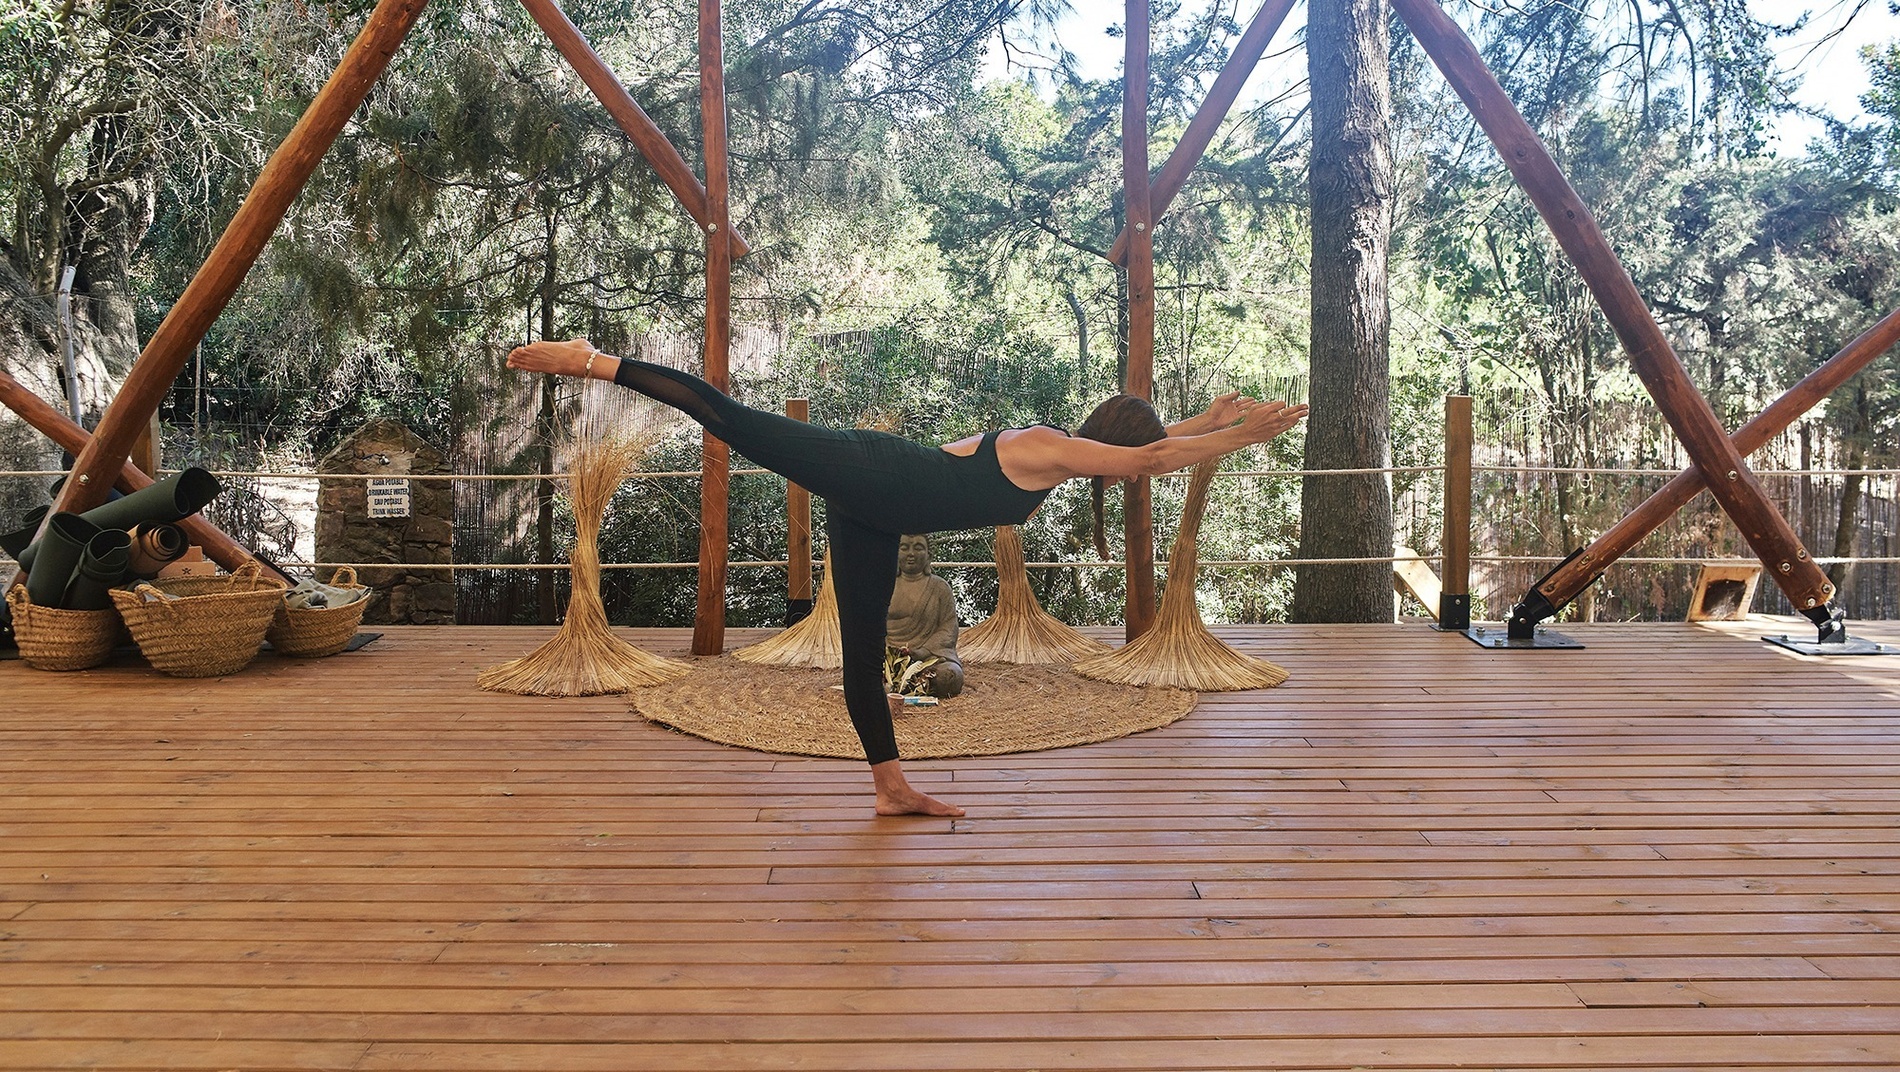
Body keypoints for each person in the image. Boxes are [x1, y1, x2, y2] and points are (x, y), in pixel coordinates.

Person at [507, 338, 1307, 818]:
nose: (1126, 474)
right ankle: (593, 361)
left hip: (876, 513)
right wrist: (1238, 435)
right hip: (869, 469)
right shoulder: (1044, 446)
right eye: (1127, 456)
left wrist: (1210, 422)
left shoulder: (1059, 454)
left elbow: (1146, 450)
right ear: (1107, 443)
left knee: (859, 657)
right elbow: (1150, 458)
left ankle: (890, 788)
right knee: (723, 412)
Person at [887, 533, 963, 698]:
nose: (911, 553)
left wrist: (923, 651)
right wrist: (888, 652)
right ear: (895, 552)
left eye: (918, 547)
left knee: (949, 676)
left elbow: (948, 628)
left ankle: (907, 685)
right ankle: (904, 683)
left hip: (929, 658)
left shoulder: (940, 588)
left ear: (929, 555)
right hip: (889, 658)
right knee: (862, 671)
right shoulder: (884, 586)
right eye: (904, 547)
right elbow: (870, 625)